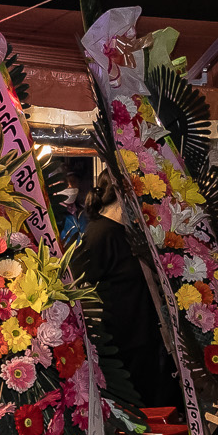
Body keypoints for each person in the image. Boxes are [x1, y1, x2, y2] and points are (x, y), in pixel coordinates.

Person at [72, 175, 177, 409]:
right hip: (121, 348)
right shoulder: (101, 234)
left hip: (144, 343)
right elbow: (76, 284)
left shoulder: (128, 231)